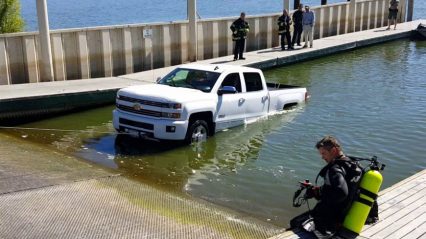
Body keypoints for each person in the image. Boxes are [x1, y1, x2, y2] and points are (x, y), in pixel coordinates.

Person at [305, 136, 356, 238]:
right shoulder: (352, 163)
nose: (322, 157)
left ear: (333, 150)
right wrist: (317, 191)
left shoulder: (335, 169)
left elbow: (341, 193)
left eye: (324, 153)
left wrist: (322, 199)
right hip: (350, 212)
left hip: (336, 219)